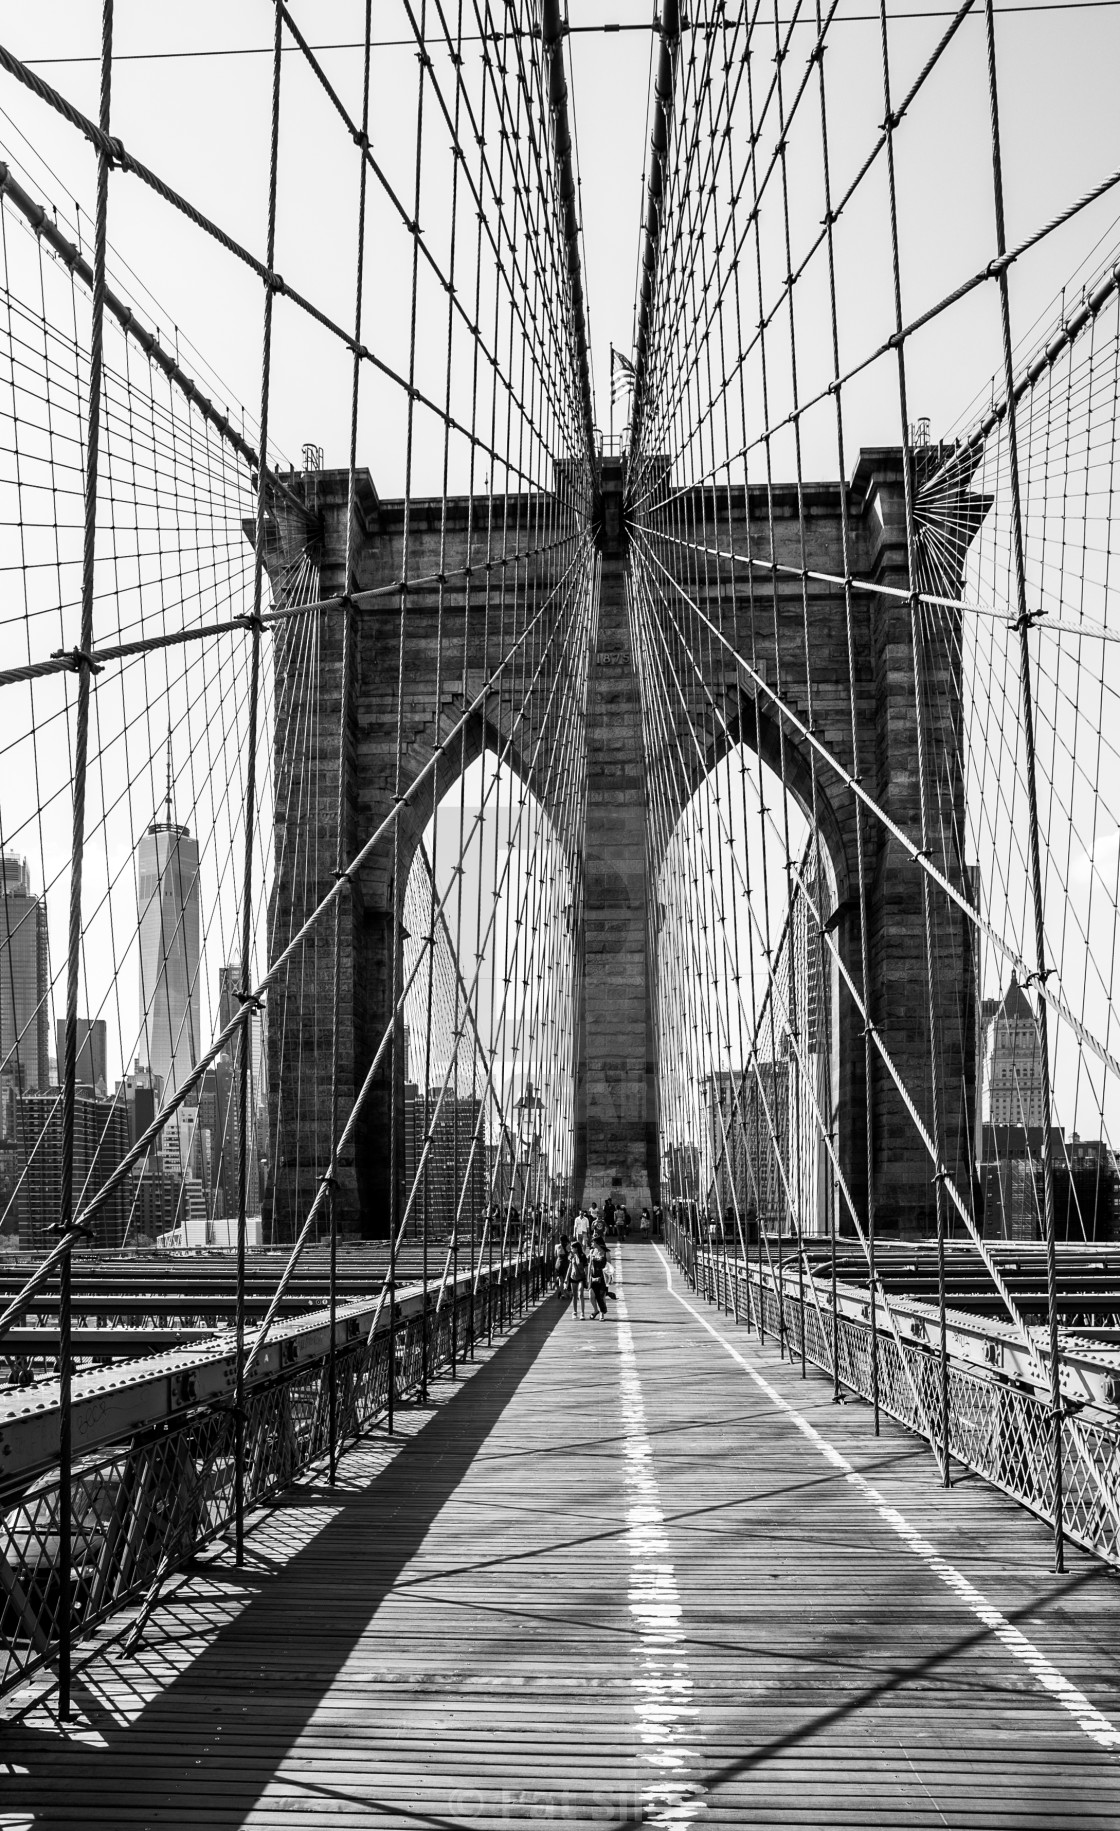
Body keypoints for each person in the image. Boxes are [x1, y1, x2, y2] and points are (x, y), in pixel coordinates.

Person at [588, 1232, 611, 1319]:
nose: (591, 1244)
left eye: (593, 1242)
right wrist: (588, 1277)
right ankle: (595, 1310)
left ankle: (602, 1313)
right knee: (591, 1295)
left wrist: (608, 1280)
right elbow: (590, 1264)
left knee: (602, 1296)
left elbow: (609, 1266)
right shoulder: (592, 1251)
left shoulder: (606, 1253)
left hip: (603, 1277)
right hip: (593, 1276)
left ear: (597, 1243)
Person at [568, 1237, 589, 1318]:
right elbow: (570, 1267)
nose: (571, 1249)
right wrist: (567, 1278)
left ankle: (582, 1313)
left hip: (581, 1277)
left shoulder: (583, 1256)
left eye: (572, 1248)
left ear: (576, 1248)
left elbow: (586, 1268)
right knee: (574, 1295)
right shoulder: (572, 1256)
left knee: (581, 1294)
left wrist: (586, 1279)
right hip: (573, 1277)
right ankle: (574, 1311)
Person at [553, 1232, 570, 1296]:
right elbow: (570, 1254)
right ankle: (565, 1291)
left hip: (558, 1263)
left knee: (561, 1279)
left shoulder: (556, 1246)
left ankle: (562, 1292)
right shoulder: (568, 1246)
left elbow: (555, 1255)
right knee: (566, 1278)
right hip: (565, 1263)